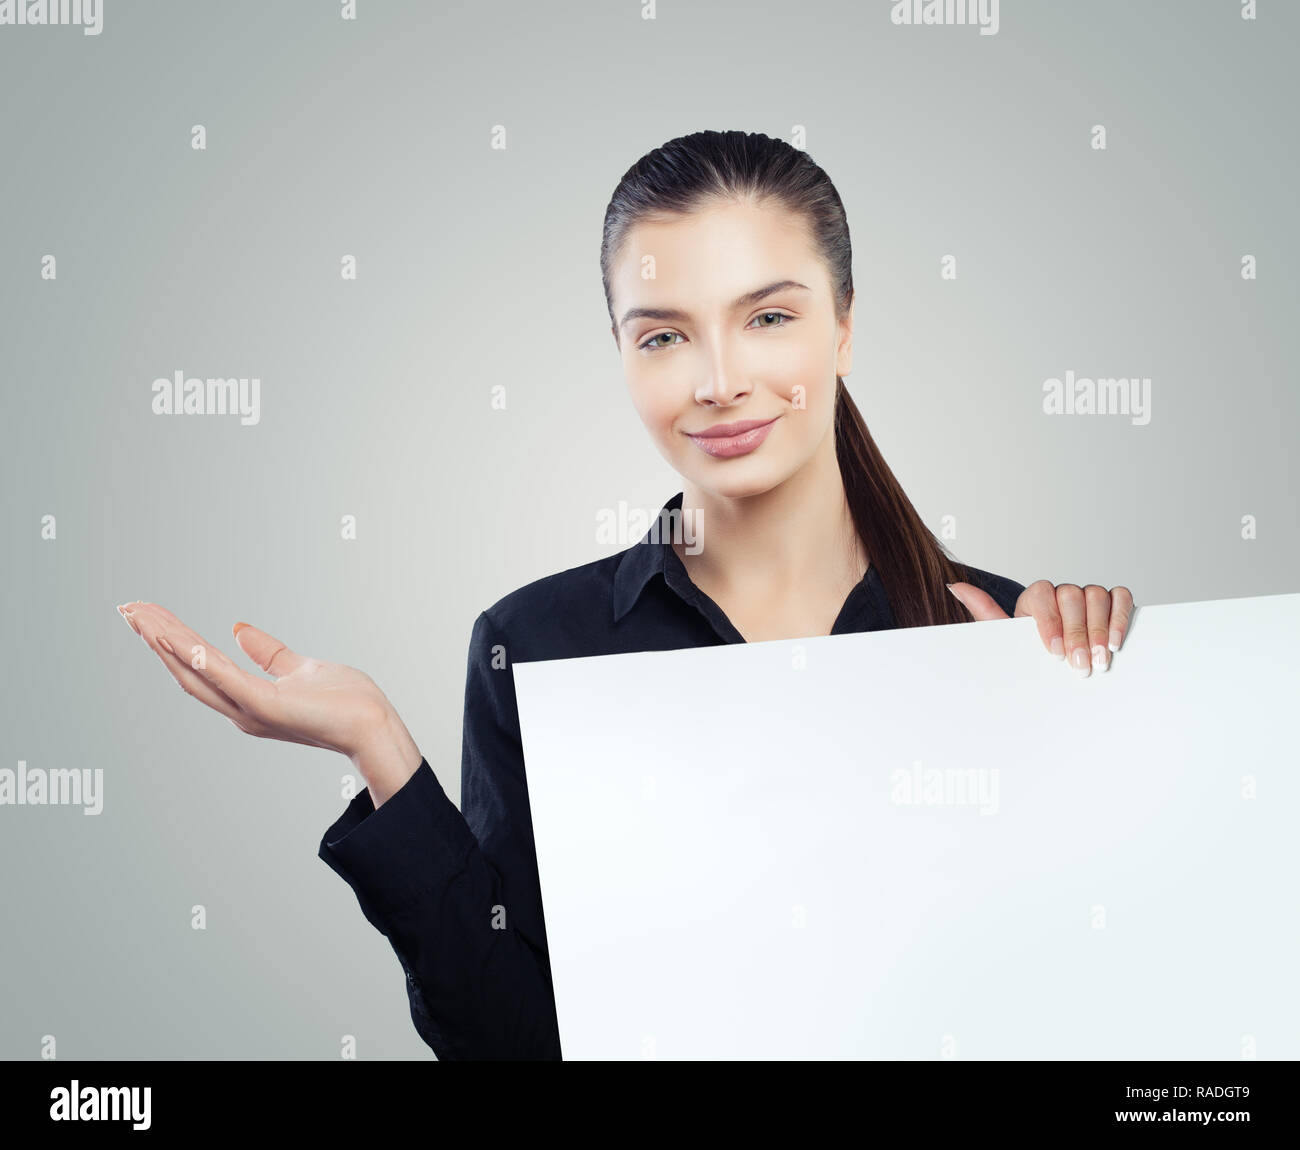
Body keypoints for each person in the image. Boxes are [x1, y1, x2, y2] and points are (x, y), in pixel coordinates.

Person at [116, 130, 1135, 1060]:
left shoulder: (1005, 634)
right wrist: (378, 746)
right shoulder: (536, 643)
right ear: (620, 354)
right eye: (662, 336)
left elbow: (1118, 1018)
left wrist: (1064, 738)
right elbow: (512, 1042)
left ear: (845, 330)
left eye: (770, 316)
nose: (718, 379)